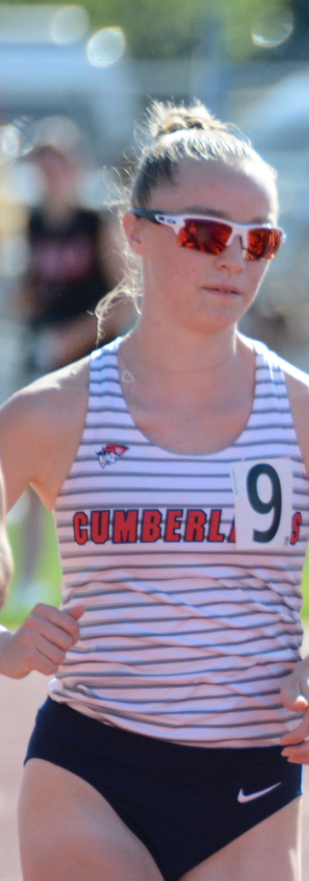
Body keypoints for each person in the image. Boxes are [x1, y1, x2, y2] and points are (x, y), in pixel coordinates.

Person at [0, 101, 309, 881]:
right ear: (134, 232)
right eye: (207, 234)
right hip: (95, 777)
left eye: (259, 239)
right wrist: (2, 636)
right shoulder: (49, 413)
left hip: (249, 797)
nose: (236, 261)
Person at [9, 119, 124, 610]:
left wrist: (72, 338)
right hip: (46, 361)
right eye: (43, 162)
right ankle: (32, 577)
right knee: (34, 467)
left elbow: (124, 299)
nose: (51, 172)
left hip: (90, 363)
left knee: (101, 471)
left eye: (59, 161)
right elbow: (33, 293)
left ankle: (110, 579)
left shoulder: (95, 222)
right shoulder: (33, 224)